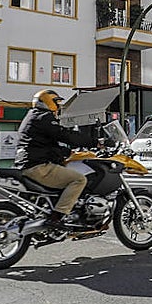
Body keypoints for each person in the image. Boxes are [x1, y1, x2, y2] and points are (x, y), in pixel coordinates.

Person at [14, 89, 97, 232]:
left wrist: (67, 152)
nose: (58, 106)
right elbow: (64, 135)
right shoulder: (44, 117)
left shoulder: (32, 116)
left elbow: (45, 144)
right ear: (47, 102)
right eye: (56, 102)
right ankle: (57, 218)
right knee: (79, 180)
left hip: (29, 163)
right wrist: (95, 142)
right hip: (38, 167)